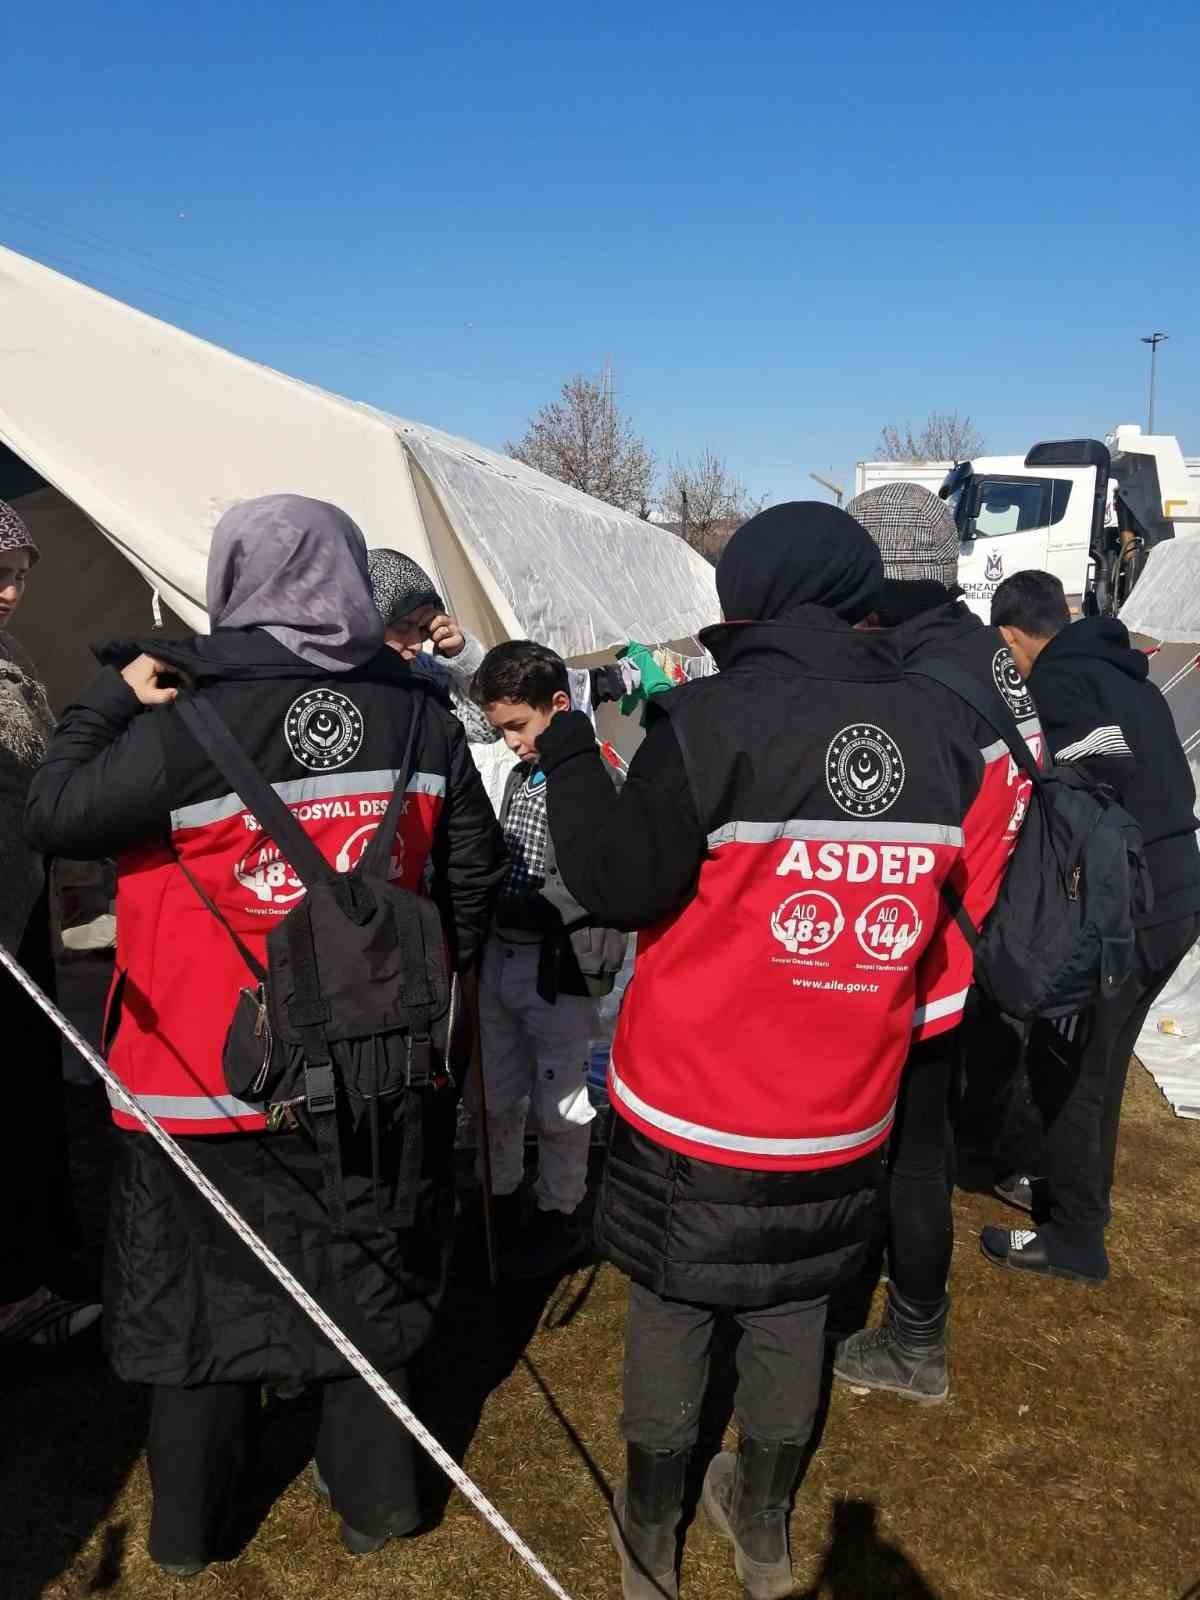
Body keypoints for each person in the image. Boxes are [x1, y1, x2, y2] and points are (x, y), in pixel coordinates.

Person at [25, 495, 506, 1574]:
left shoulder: (183, 710)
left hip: (201, 1071)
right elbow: (470, 873)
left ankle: (194, 1530)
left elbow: (53, 814)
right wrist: (421, 989)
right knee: (365, 1276)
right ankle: (377, 1505)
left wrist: (107, 699)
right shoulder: (423, 713)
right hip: (374, 1065)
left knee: (198, 1305)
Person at [533, 502, 990, 1600]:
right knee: (796, 1305)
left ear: (750, 596)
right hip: (844, 1097)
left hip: (695, 1096)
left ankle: (652, 1539)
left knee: (676, 1301)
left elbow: (618, 884)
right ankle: (768, 1531)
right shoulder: (943, 728)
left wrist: (566, 751)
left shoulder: (707, 718)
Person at [831, 482, 1042, 1403]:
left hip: (926, 954)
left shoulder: (922, 685)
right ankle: (901, 1306)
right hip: (975, 932)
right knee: (919, 1146)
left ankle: (915, 1340)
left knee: (910, 1152)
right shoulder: (981, 657)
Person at [979, 570, 1200, 1283]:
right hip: (1180, 890)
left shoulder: (1062, 688)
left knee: (1076, 1064)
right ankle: (1063, 1190)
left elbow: (1079, 812)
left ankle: (1076, 1240)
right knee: (1091, 1060)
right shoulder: (1129, 676)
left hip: (1129, 908)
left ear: (1012, 636)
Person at [470, 641, 626, 1279]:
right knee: (498, 1089)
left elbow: (602, 874)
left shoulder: (597, 778)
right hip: (501, 955)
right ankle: (499, 1192)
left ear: (558, 706)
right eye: (502, 729)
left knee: (561, 1094)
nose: (510, 742)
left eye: (518, 726)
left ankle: (562, 1207)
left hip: (558, 966)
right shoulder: (514, 773)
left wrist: (549, 907)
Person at [0, 499, 102, 1350]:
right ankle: (15, 1289)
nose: (8, 591)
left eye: (19, 576)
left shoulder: (14, 656)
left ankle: (44, 1262)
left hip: (20, 896)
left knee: (28, 1092)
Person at [367, 548, 499, 744]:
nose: (417, 646)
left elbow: (487, 729)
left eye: (422, 629)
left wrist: (460, 656)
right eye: (403, 627)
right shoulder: (329, 684)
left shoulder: (422, 672)